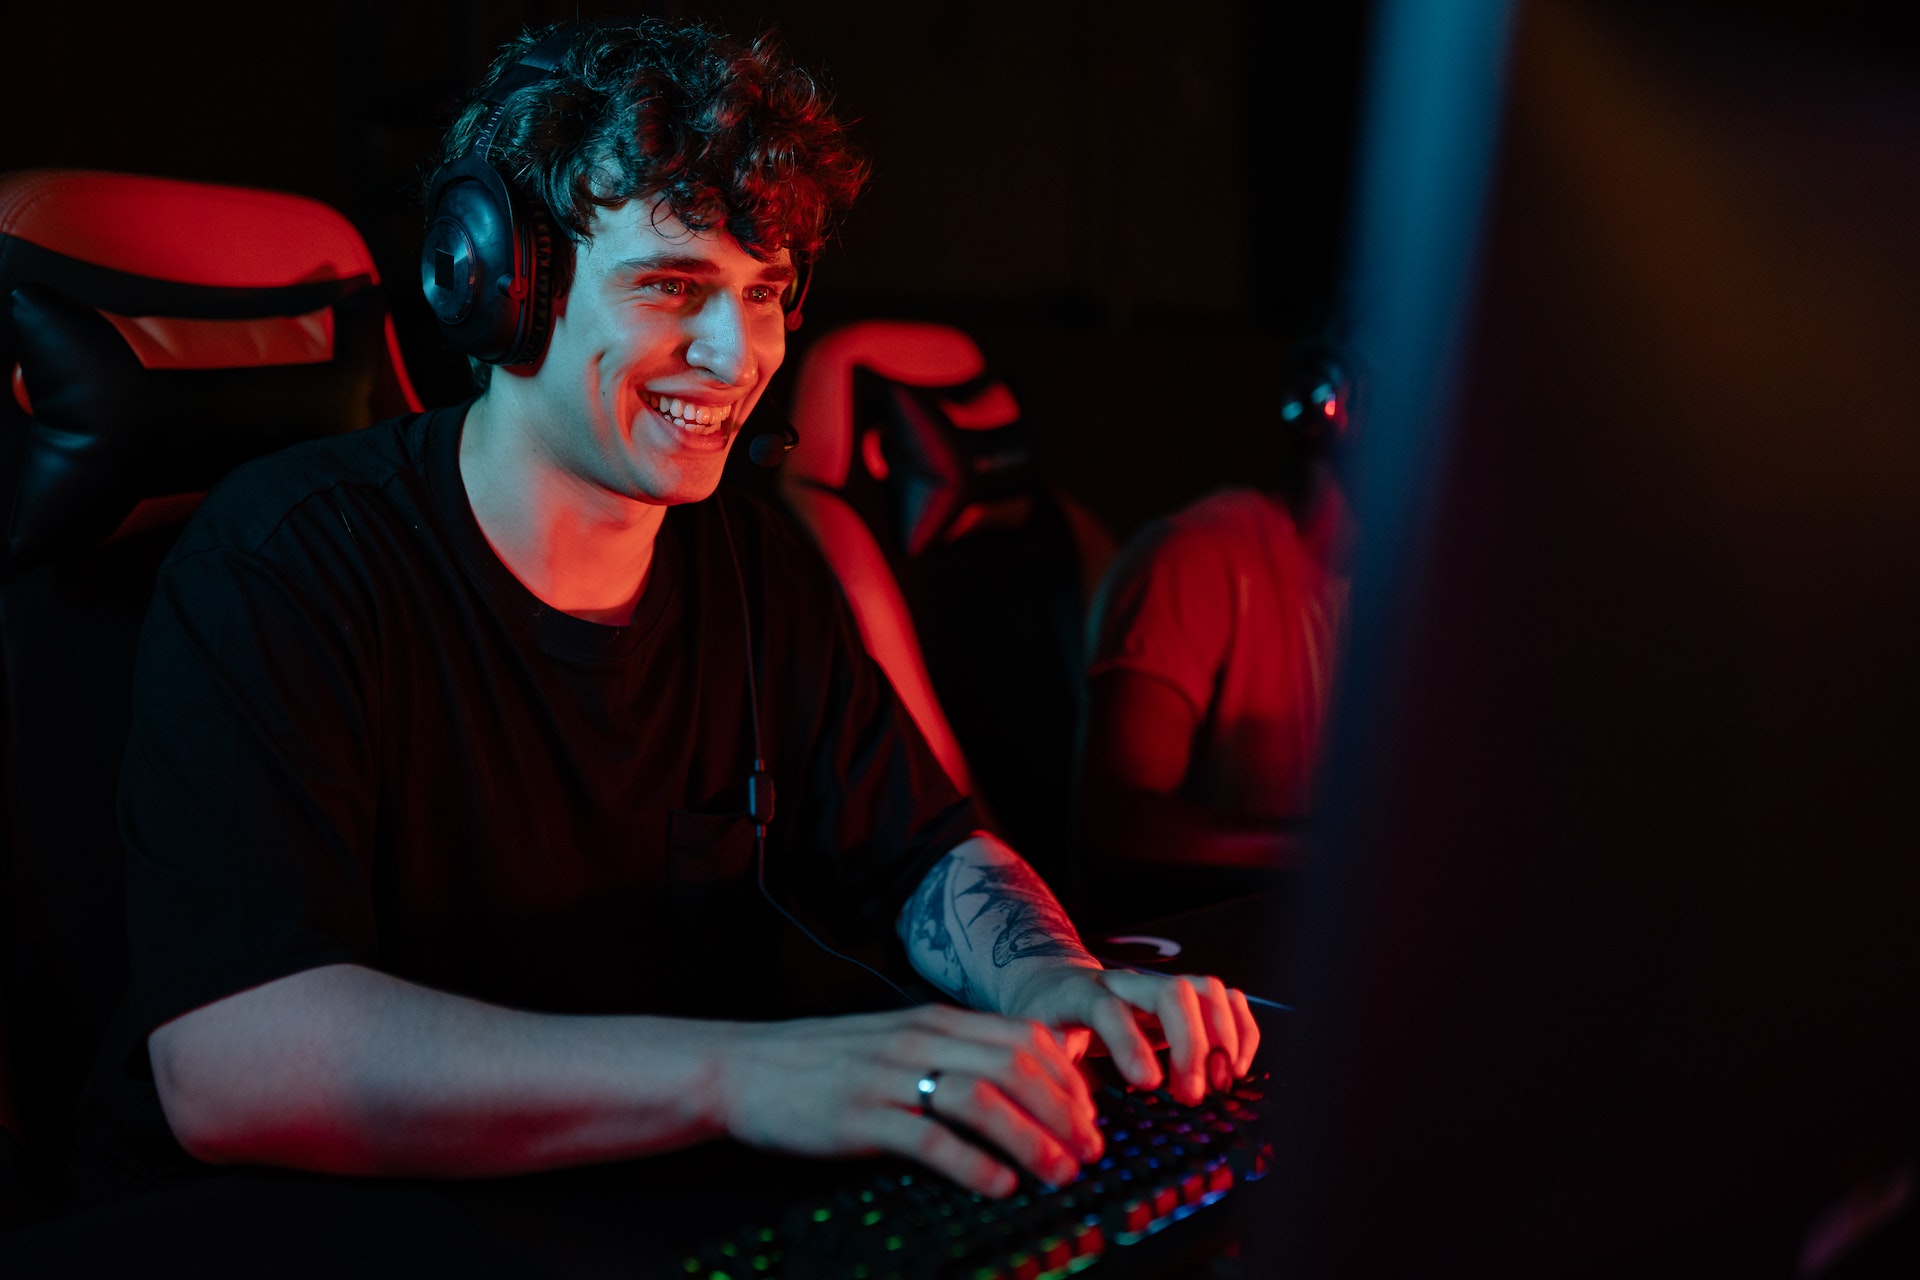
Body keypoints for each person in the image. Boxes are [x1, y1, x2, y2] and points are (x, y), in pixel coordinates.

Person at [81, 20, 1257, 1204]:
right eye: (671, 286)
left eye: (765, 293)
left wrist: (1061, 985)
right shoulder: (287, 562)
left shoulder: (747, 556)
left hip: (621, 1201)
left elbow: (921, 851)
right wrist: (746, 1075)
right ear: (496, 287)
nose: (736, 352)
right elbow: (228, 1060)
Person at [1076, 347, 1354, 918]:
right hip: (1221, 971)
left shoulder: (1436, 580)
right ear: (1325, 400)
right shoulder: (1194, 558)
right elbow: (1118, 827)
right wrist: (1340, 851)